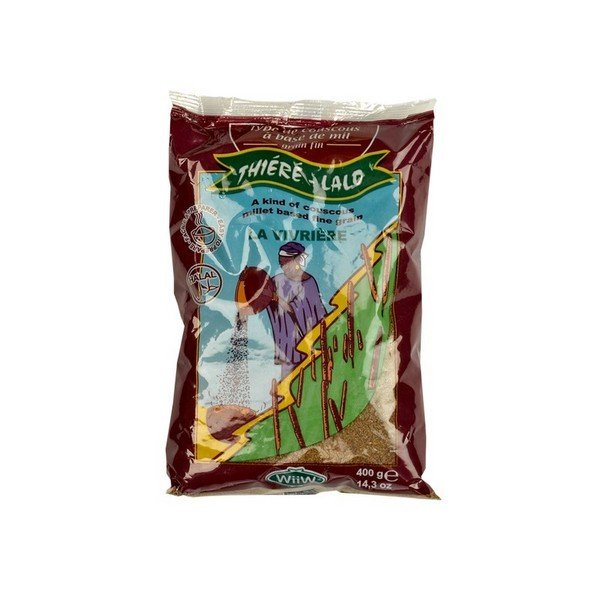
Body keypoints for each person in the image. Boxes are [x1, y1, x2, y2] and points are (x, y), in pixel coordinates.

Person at [266, 242, 327, 379]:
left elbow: (298, 310)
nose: (284, 267)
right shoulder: (277, 280)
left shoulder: (308, 283)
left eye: (287, 263)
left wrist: (277, 299)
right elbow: (262, 300)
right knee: (287, 380)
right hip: (286, 343)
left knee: (310, 376)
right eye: (281, 263)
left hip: (305, 341)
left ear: (298, 260)